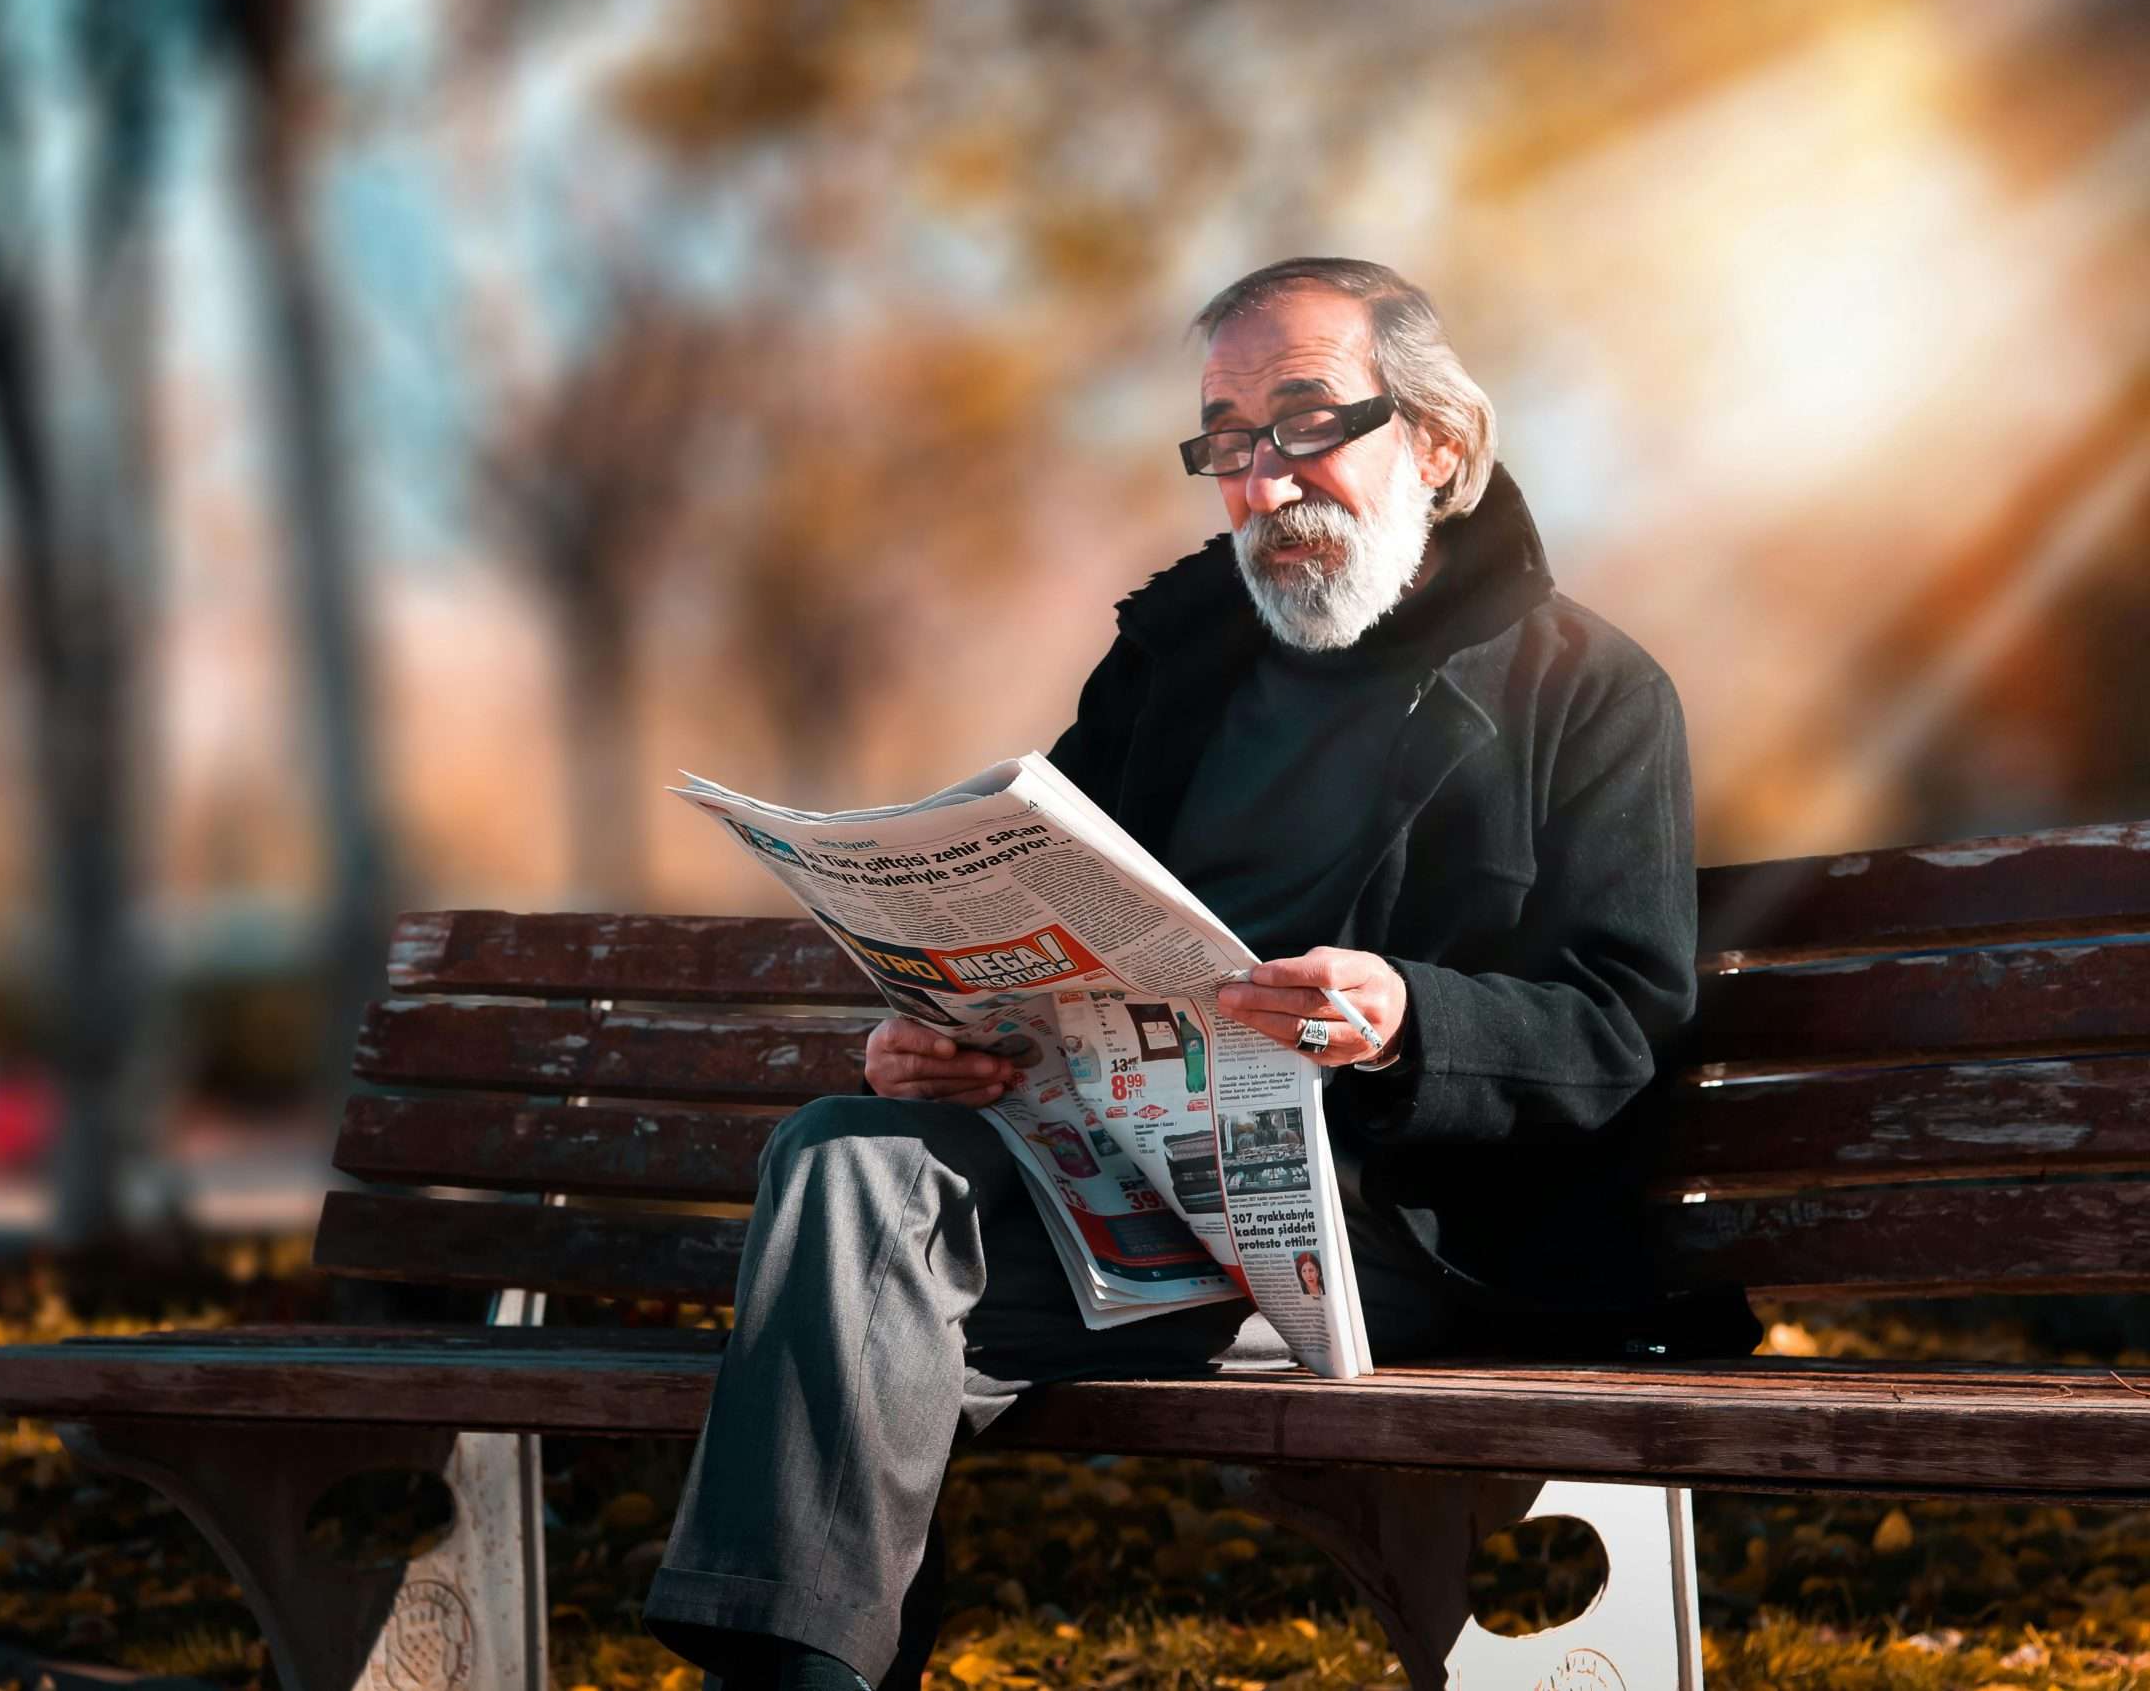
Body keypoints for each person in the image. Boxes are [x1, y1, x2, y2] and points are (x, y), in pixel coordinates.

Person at [643, 257, 1757, 1691]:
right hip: (1131, 1200)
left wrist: (1409, 1017)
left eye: (1303, 422)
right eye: (1225, 441)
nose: (1261, 478)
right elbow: (1033, 896)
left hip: (1399, 1232)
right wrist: (942, 1032)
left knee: (873, 1294)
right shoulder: (1169, 674)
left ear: (1436, 441)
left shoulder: (1585, 690)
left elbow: (1619, 1028)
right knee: (849, 1158)